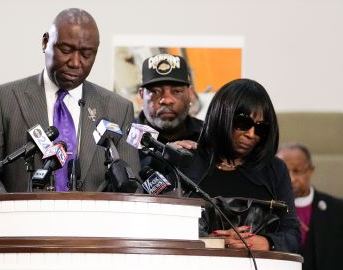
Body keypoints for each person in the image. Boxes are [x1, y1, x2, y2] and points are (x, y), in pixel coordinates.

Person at [0, 8, 140, 193]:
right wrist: (11, 212)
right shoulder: (5, 99)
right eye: (66, 50)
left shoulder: (118, 109)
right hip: (23, 220)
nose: (75, 62)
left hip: (93, 221)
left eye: (86, 54)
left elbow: (131, 188)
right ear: (45, 42)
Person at [182, 78, 300, 252]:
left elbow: (292, 235)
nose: (251, 134)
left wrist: (267, 243)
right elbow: (161, 227)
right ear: (222, 116)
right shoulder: (186, 162)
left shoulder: (275, 169)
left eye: (261, 128)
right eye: (243, 123)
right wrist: (209, 242)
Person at [277, 143, 343, 269]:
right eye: (283, 171)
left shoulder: (337, 210)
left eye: (297, 171)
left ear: (310, 170)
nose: (290, 178)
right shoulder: (264, 209)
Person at [137, 53, 202, 146]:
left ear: (190, 93)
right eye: (155, 91)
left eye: (177, 91)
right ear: (142, 94)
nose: (167, 100)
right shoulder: (122, 137)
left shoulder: (210, 135)